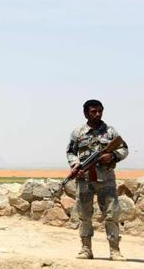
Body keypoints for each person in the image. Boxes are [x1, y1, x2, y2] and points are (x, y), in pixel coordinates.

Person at [66, 99, 128, 261]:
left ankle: (114, 250)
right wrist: (75, 164)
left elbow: (124, 149)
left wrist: (112, 155)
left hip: (106, 180)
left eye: (100, 111)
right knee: (84, 214)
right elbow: (71, 152)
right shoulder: (78, 133)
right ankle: (86, 249)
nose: (97, 114)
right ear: (86, 113)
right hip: (84, 180)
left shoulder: (110, 132)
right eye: (93, 111)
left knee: (112, 214)